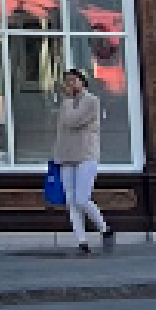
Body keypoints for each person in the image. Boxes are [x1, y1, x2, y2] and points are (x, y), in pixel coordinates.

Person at [52, 68, 112, 253]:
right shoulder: (66, 103)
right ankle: (82, 241)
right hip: (66, 155)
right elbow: (61, 129)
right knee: (70, 199)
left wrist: (69, 100)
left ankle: (104, 228)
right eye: (67, 81)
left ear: (82, 82)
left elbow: (72, 121)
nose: (69, 84)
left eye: (73, 80)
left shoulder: (91, 101)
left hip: (86, 154)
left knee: (81, 198)